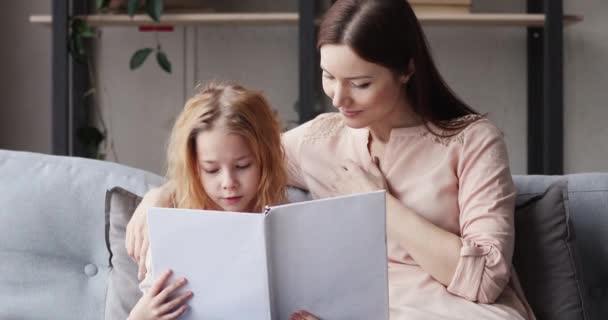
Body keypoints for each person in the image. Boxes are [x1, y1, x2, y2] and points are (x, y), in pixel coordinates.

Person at [127, 1, 536, 319]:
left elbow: (484, 280)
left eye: (360, 84)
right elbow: (236, 163)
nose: (338, 99)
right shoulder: (322, 139)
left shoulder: (472, 141)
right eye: (328, 76)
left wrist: (380, 204)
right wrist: (157, 197)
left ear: (407, 69)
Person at [128, 81, 289, 320]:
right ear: (194, 169)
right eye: (211, 170)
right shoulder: (172, 232)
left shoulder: (287, 219)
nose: (228, 182)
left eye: (243, 166)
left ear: (265, 160)